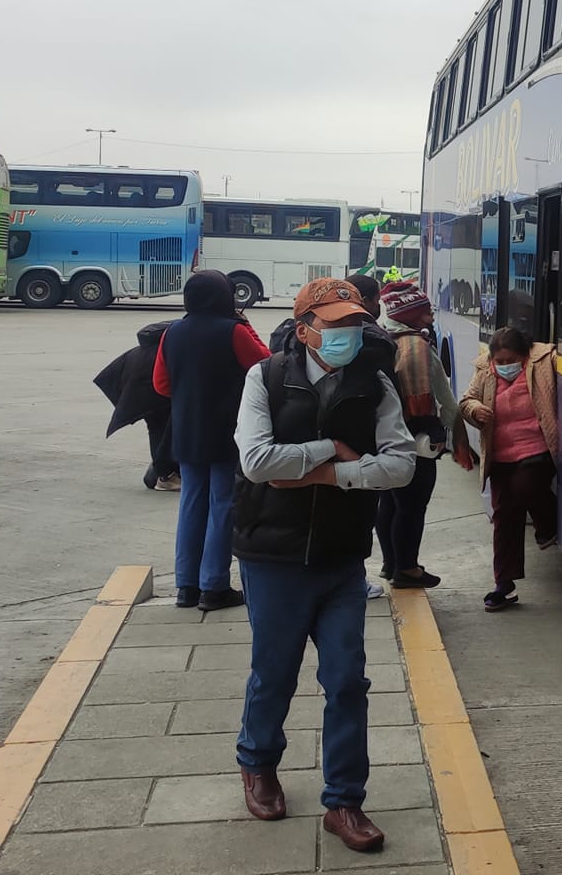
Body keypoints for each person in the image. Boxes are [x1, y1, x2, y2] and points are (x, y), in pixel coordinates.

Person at [233, 277, 415, 853]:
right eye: (333, 324)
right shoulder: (264, 377)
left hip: (341, 557)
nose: (346, 334)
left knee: (347, 681)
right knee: (275, 673)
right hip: (273, 555)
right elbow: (258, 461)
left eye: (353, 324)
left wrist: (325, 474)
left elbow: (402, 465)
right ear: (304, 327)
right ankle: (258, 763)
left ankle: (345, 802)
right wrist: (331, 450)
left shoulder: (375, 382)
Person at [153, 271, 269, 610]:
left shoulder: (172, 332)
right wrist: (245, 324)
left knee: (191, 503)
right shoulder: (232, 331)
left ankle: (186, 586)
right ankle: (214, 586)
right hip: (226, 431)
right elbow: (265, 364)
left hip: (187, 431)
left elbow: (161, 384)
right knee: (222, 505)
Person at [460, 326, 559, 612]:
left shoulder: (543, 363)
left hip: (537, 450)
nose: (505, 366)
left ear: (524, 355)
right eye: (499, 361)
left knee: (525, 487)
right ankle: (504, 585)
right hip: (501, 456)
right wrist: (476, 410)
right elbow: (466, 401)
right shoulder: (485, 373)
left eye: (510, 360)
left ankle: (547, 525)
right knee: (504, 516)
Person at [377, 281, 468, 588]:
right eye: (425, 311)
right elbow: (434, 398)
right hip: (414, 436)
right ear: (410, 315)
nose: (430, 316)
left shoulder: (386, 337)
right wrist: (445, 429)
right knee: (412, 507)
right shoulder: (414, 346)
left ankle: (391, 563)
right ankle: (407, 569)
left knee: (390, 501)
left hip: (387, 435)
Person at [92, 319, 179, 491]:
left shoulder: (160, 342)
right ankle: (165, 476)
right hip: (147, 387)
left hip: (139, 382)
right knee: (162, 427)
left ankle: (163, 473)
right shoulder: (173, 347)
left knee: (159, 427)